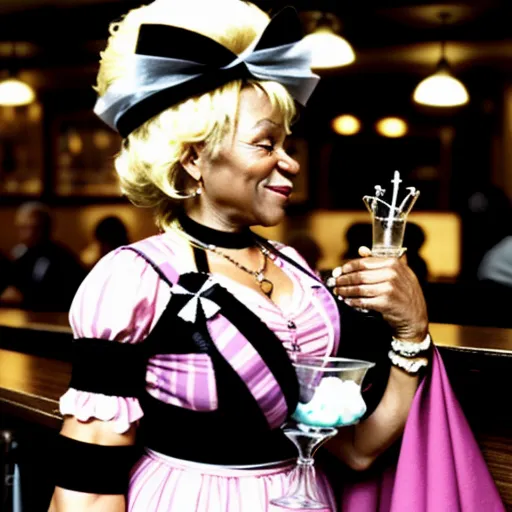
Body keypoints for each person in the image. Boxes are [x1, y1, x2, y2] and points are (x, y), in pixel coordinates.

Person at [49, 1, 504, 511]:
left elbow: (355, 452)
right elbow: (87, 487)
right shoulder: (135, 278)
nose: (289, 162)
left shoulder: (298, 274)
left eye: (288, 143)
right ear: (193, 157)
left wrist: (411, 333)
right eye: (266, 144)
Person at [0, 202, 86, 311]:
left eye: (32, 228)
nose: (27, 234)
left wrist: (24, 298)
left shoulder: (61, 258)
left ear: (46, 228)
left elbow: (60, 295)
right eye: (22, 228)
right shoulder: (19, 255)